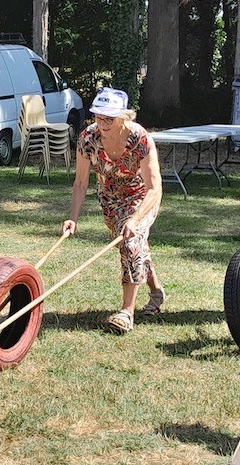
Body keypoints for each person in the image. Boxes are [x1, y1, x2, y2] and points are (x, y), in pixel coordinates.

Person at [62, 87, 165, 334]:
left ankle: (126, 313)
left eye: (109, 118)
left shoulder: (140, 139)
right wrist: (72, 218)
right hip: (110, 198)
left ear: (124, 116)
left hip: (142, 196)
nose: (103, 123)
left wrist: (135, 219)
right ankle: (156, 293)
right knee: (133, 247)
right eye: (98, 116)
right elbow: (80, 182)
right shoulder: (87, 139)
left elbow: (154, 186)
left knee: (131, 243)